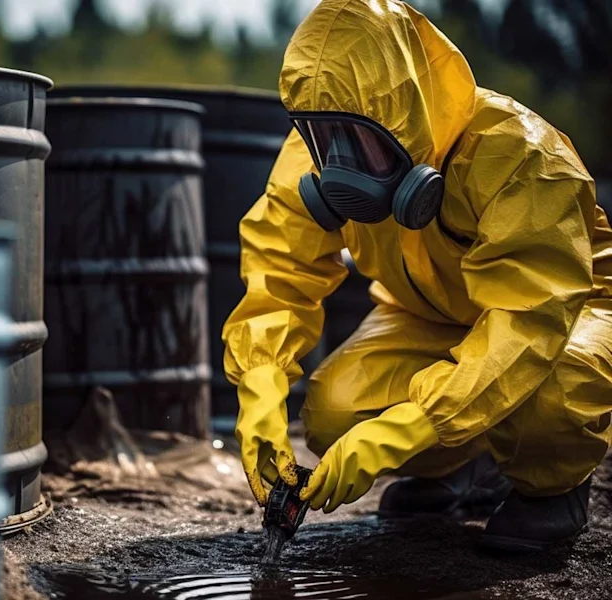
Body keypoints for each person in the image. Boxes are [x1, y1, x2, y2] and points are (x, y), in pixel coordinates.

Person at [222, 0, 612, 552]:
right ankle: (459, 467)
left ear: (406, 116)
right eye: (324, 134)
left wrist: (408, 428)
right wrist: (260, 386)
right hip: (427, 313)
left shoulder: (525, 158)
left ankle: (554, 487)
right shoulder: (314, 155)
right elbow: (278, 270)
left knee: (549, 401)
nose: (341, 165)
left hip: (563, 318)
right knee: (335, 412)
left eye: (360, 137)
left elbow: (527, 322)